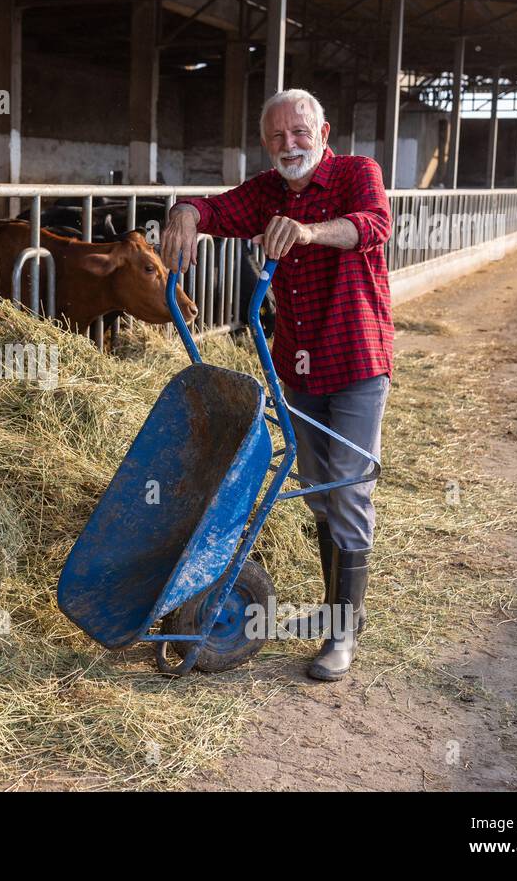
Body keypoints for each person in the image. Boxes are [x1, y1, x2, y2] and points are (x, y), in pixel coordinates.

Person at [160, 88, 393, 681]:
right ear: (266, 144)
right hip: (298, 363)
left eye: (299, 132)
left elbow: (373, 226)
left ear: (323, 130)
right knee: (318, 491)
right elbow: (216, 210)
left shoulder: (356, 173)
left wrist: (311, 232)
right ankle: (340, 613)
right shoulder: (265, 192)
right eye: (276, 137)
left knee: (347, 489)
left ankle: (343, 633)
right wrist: (185, 211)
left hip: (358, 357)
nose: (289, 145)